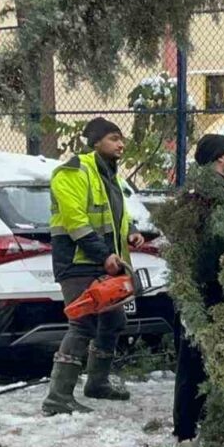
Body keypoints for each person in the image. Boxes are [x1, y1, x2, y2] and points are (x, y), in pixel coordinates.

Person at [42, 117, 145, 416]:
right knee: (83, 323)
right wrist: (104, 256)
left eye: (122, 139)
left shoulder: (109, 175)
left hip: (101, 263)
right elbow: (76, 222)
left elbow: (116, 215)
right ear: (96, 141)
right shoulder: (73, 172)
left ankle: (96, 383)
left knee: (113, 322)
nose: (121, 144)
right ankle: (58, 397)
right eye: (114, 138)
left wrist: (130, 231)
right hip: (77, 263)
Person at [173, 133, 224, 440]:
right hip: (207, 287)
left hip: (223, 284)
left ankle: (208, 424)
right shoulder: (205, 196)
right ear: (220, 157)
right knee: (196, 357)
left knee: (217, 356)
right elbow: (213, 242)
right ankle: (186, 430)